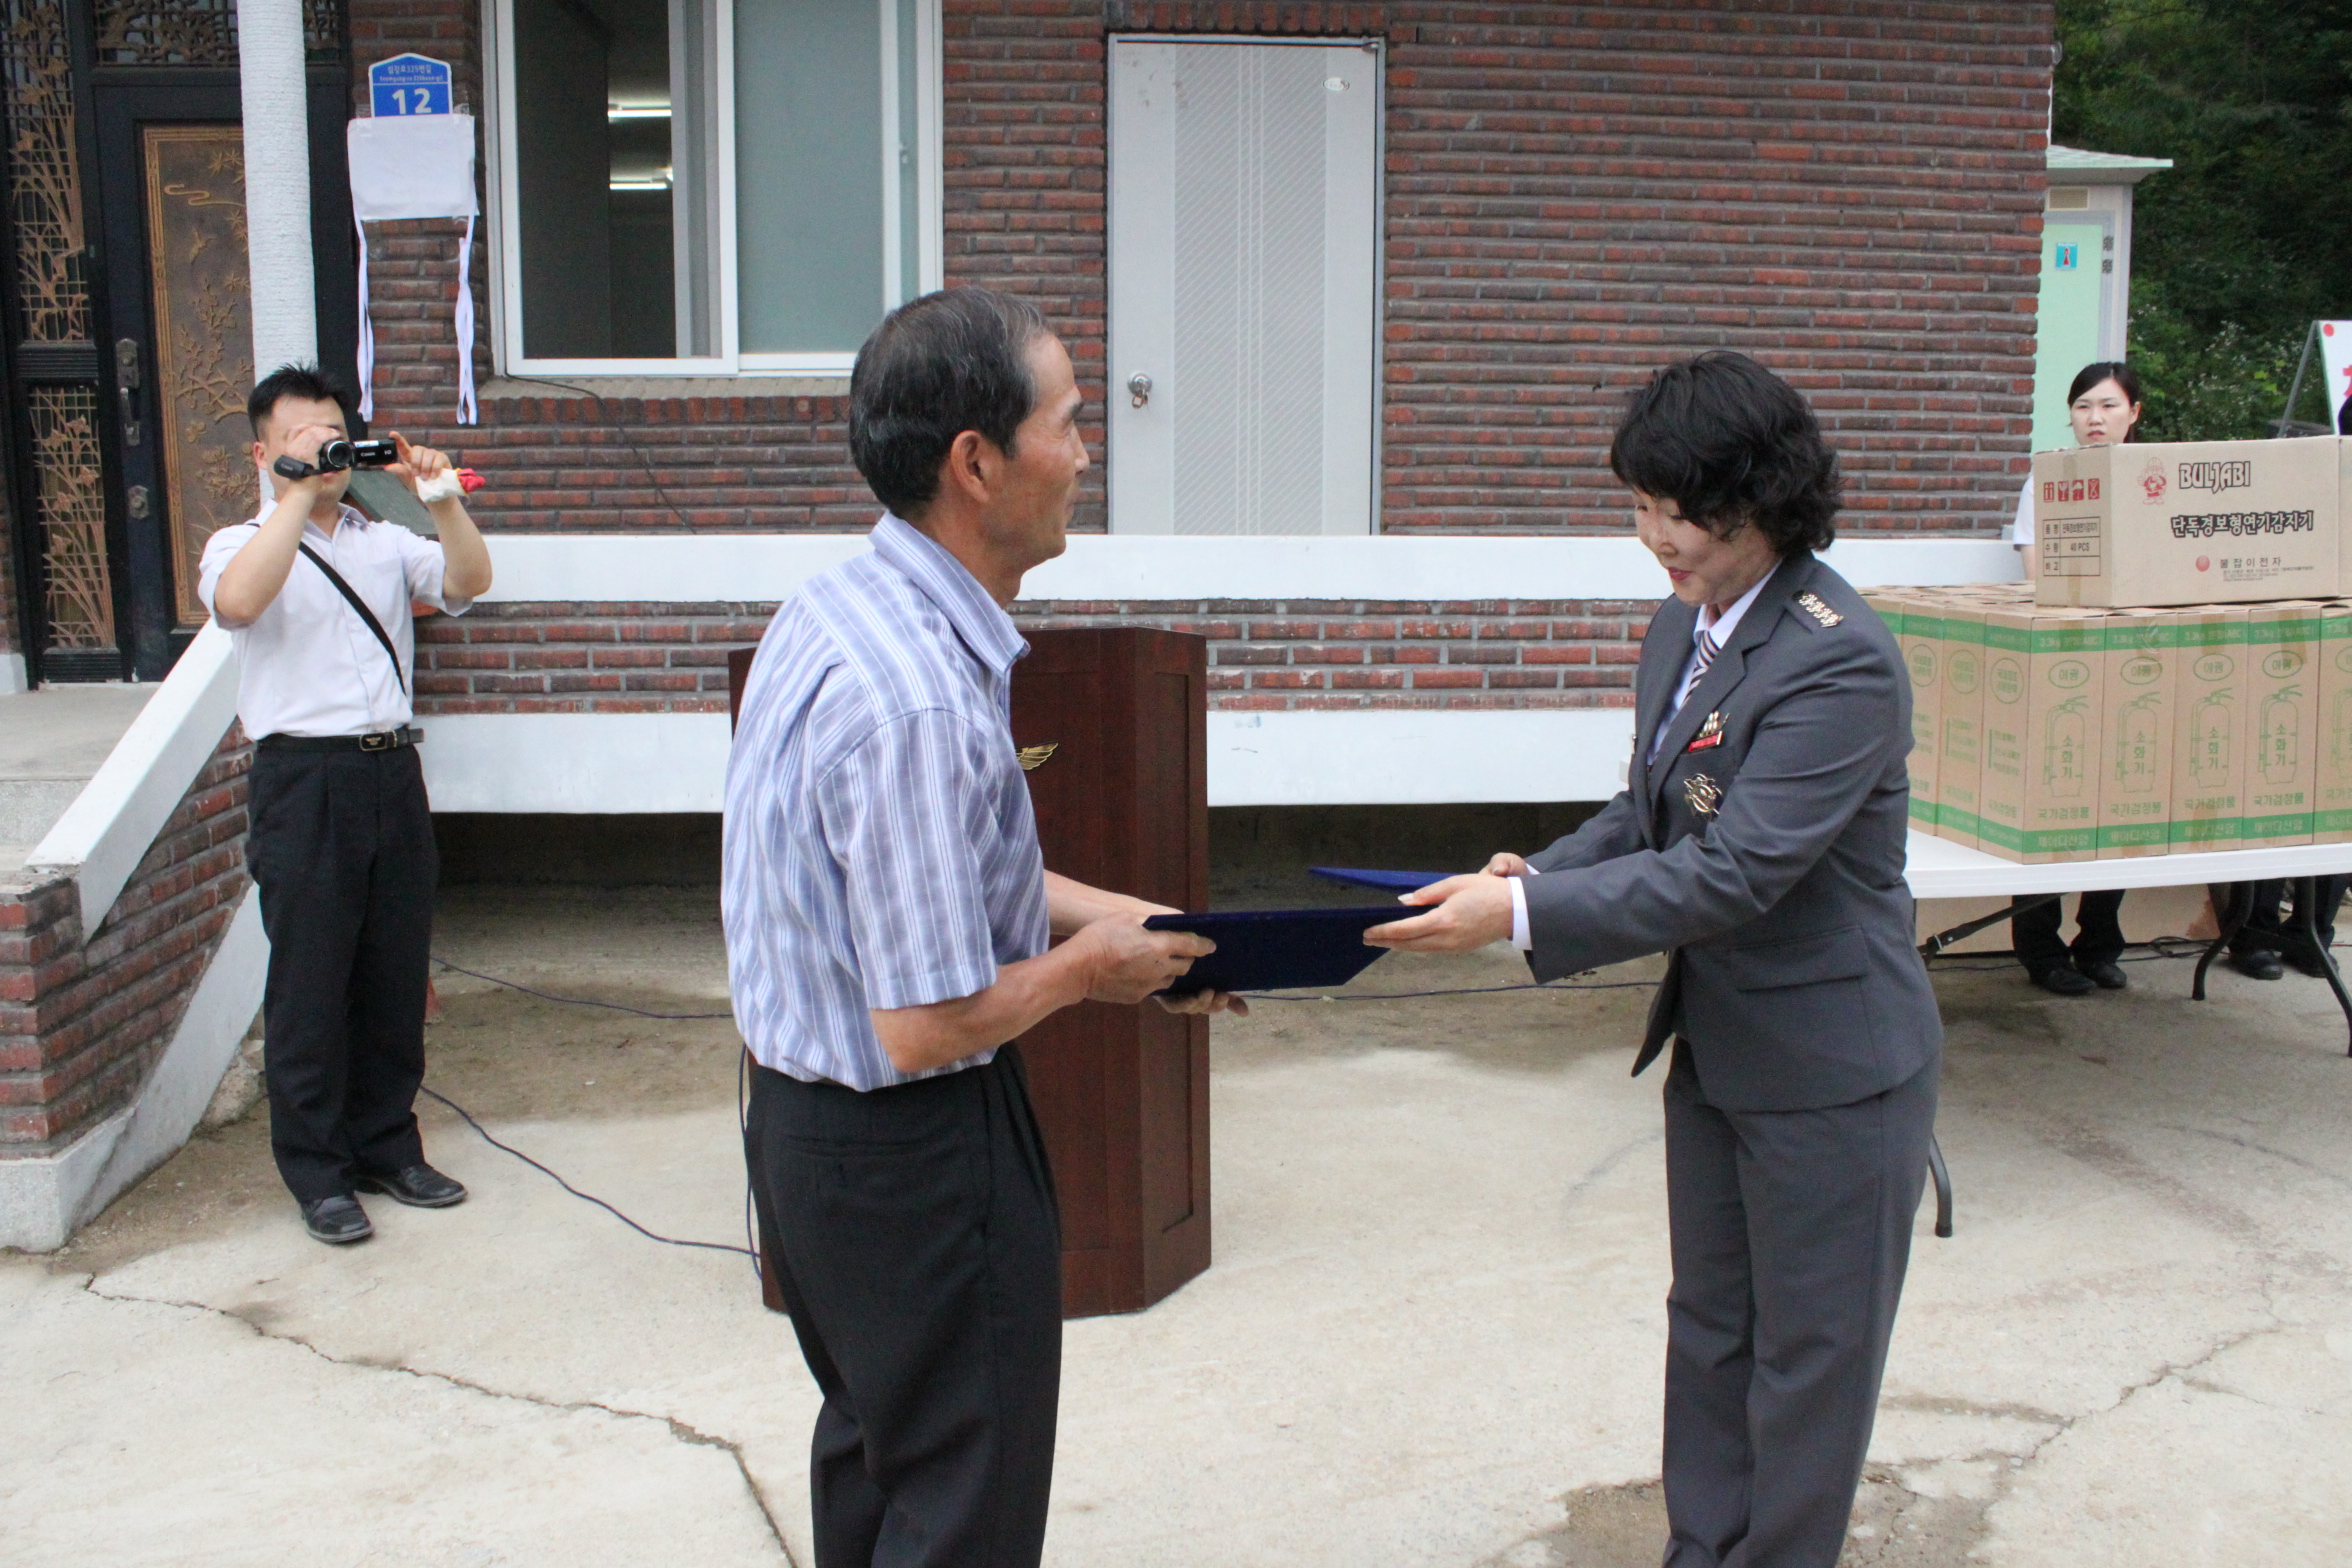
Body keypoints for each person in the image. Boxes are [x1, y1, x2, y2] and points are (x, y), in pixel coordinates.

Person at [1365, 352, 1942, 1568]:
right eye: (1640, 504)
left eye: (1685, 511)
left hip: (1833, 1067)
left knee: (1811, 1360)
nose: (1656, 536)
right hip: (1721, 1044)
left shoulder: (1839, 657)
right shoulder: (1688, 622)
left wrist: (1522, 919)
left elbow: (1733, 869)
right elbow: (1651, 812)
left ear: (1766, 500)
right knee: (1711, 1327)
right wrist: (1532, 875)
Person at [722, 286, 1243, 1568]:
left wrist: (1144, 922)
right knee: (962, 1509)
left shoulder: (839, 608)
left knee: (881, 1466)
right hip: (915, 1161)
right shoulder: (915, 700)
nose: (1086, 454)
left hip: (809, 1141)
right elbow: (925, 1022)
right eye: (1068, 422)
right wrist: (1093, 968)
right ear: (976, 462)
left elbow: (941, 875)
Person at [199, 363, 493, 1245]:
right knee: (311, 985)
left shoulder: (382, 540)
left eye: (334, 429)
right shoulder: (239, 543)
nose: (324, 444)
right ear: (263, 453)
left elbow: (469, 580)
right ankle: (319, 1173)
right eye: (302, 434)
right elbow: (237, 603)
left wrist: (439, 499)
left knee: (393, 975)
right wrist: (296, 496)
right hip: (303, 782)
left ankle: (387, 1145)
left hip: (390, 772)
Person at [2005, 361, 2145, 996]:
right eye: (2084, 405)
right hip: (2065, 655)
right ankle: (2040, 949)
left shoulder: (2153, 479)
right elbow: (2035, 572)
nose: (2095, 418)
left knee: (2119, 799)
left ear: (2134, 413)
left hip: (2135, 657)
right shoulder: (2049, 478)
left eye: (2109, 406)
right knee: (2053, 800)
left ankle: (2100, 943)